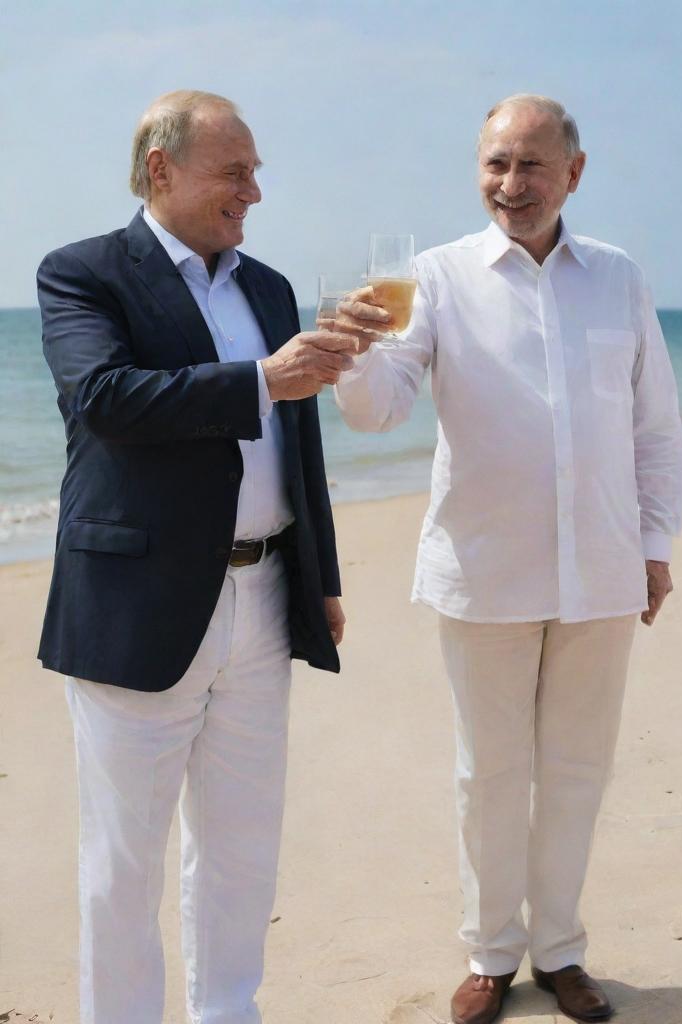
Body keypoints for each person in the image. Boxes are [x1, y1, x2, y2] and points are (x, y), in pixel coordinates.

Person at [330, 95, 682, 1024]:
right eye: (495, 164)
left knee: (577, 770)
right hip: (481, 571)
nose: (510, 184)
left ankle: (562, 950)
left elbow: (655, 427)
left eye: (531, 165)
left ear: (574, 172)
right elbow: (377, 410)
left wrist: (654, 544)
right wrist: (354, 352)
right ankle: (491, 951)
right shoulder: (436, 276)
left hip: (603, 572)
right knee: (487, 773)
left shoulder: (618, 278)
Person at [37, 90, 351, 1024]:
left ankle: (228, 1013)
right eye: (235, 171)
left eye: (254, 171)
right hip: (136, 605)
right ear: (161, 168)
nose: (255, 190)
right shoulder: (81, 273)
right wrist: (262, 378)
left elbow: (299, 446)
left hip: (263, 598)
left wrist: (321, 573)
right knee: (122, 866)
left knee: (242, 847)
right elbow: (103, 397)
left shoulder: (270, 287)